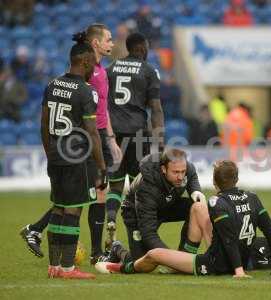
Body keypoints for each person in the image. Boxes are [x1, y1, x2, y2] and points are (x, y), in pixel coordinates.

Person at [20, 24, 122, 265]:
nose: (112, 44)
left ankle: (38, 231)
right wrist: (102, 143)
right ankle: (94, 254)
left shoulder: (98, 72)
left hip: (91, 137)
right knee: (89, 195)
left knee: (81, 195)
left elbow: (102, 109)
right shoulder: (91, 77)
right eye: (108, 39)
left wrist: (111, 138)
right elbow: (90, 113)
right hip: (87, 139)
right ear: (95, 44)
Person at [96, 160, 271, 277]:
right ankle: (182, 256)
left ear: (213, 182)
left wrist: (238, 271)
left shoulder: (216, 202)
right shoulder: (253, 197)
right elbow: (270, 231)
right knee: (196, 207)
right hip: (241, 259)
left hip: (215, 264)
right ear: (236, 179)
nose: (181, 176)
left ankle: (117, 266)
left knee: (153, 255)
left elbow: (227, 240)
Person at [41, 36, 107, 279]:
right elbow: (92, 133)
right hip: (76, 158)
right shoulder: (85, 91)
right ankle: (68, 268)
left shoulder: (52, 85)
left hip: (56, 157)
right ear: (87, 61)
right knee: (73, 211)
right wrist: (101, 166)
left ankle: (54, 266)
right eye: (92, 63)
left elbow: (44, 124)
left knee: (58, 208)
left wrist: (50, 154)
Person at [105, 32, 165, 248]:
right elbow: (156, 108)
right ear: (142, 48)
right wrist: (160, 140)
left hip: (113, 136)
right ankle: (138, 233)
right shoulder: (149, 71)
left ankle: (111, 218)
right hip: (138, 134)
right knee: (138, 186)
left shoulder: (110, 69)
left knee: (115, 186)